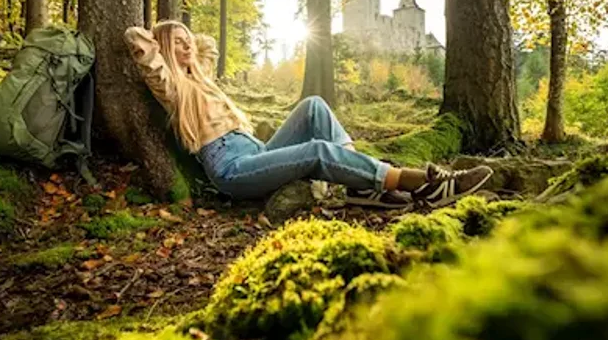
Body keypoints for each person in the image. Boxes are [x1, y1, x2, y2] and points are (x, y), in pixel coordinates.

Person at [124, 20, 492, 209]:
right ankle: (421, 183)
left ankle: (362, 186)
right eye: (178, 43)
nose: (188, 45)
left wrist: (184, 38)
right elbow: (136, 40)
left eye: (188, 39)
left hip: (256, 151)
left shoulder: (201, 79)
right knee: (317, 151)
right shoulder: (173, 88)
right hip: (231, 168)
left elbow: (207, 47)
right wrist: (161, 36)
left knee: (314, 105)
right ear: (164, 50)